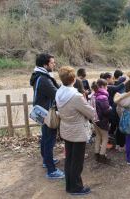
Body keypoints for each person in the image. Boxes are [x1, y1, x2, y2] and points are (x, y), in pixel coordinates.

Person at [55, 66, 97, 195]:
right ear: (73, 79)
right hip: (78, 131)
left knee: (69, 159)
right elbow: (91, 113)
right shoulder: (75, 96)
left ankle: (69, 185)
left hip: (66, 128)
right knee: (77, 161)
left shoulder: (59, 92)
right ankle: (76, 187)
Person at [29, 53, 64, 179]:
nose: (54, 65)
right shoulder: (44, 79)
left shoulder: (38, 75)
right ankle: (51, 170)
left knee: (45, 137)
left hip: (42, 112)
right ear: (45, 65)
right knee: (49, 140)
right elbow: (57, 95)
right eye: (52, 63)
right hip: (47, 113)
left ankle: (46, 161)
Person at [92, 79, 112, 164]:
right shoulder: (103, 97)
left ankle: (96, 153)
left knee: (98, 137)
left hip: (95, 119)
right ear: (103, 86)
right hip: (102, 121)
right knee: (105, 138)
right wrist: (110, 108)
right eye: (106, 86)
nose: (107, 88)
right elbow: (106, 111)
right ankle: (102, 156)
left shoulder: (93, 95)